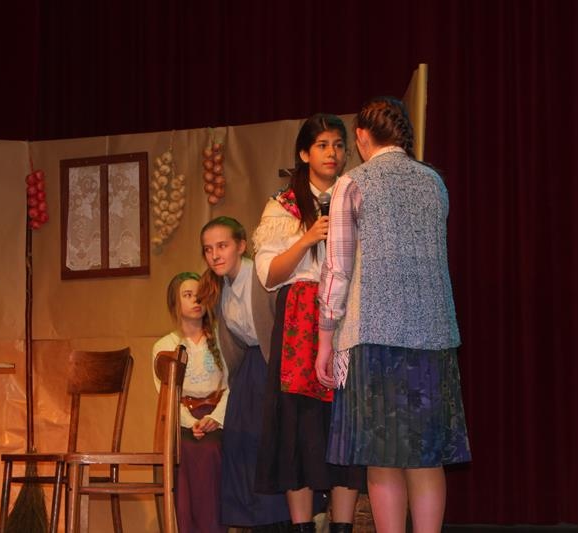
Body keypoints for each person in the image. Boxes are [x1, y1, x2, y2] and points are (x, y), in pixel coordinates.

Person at [316, 97, 471, 533]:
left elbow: (337, 269)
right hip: (433, 335)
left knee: (383, 460)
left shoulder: (352, 183)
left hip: (373, 337)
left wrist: (325, 338)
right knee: (426, 458)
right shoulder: (433, 183)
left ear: (362, 136)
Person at [253, 113, 365, 533]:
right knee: (296, 427)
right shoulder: (282, 206)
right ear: (304, 153)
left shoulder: (356, 196)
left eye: (338, 144)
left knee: (342, 423)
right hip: (298, 320)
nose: (331, 153)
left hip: (346, 315)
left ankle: (342, 526)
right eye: (321, 145)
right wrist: (306, 238)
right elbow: (268, 276)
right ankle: (301, 527)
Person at [197, 216, 292, 532]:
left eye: (222, 246)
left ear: (240, 246)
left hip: (274, 366)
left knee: (269, 444)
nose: (215, 255)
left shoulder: (261, 277)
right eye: (208, 249)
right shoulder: (221, 288)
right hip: (249, 371)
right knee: (240, 443)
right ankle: (256, 521)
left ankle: (282, 520)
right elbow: (231, 350)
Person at [152, 271, 228, 533]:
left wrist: (216, 418)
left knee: (212, 450)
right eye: (187, 295)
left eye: (200, 295)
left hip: (219, 418)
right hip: (182, 421)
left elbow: (233, 385)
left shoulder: (221, 338)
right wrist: (190, 422)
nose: (196, 300)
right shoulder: (165, 345)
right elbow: (166, 395)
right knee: (183, 451)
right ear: (175, 302)